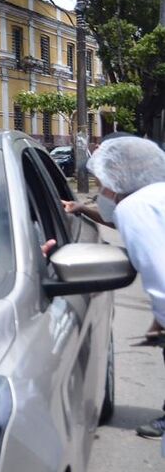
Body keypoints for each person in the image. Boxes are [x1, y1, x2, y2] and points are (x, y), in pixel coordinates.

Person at [84, 137, 165, 440]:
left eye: (100, 182)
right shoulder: (155, 195)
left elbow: (160, 275)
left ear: (118, 176)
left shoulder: (135, 208)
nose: (99, 191)